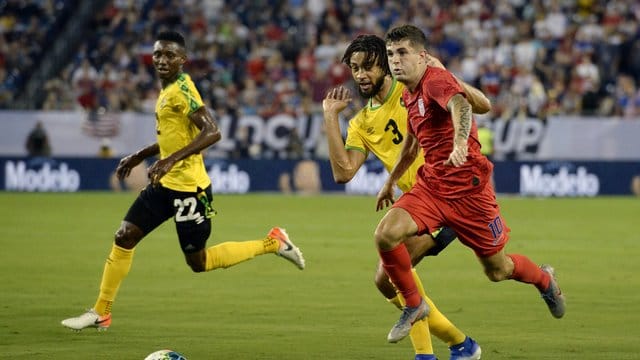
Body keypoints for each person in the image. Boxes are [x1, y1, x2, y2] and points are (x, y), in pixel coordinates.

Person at [61, 31, 305, 331]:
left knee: (198, 263)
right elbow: (174, 137)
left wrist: (170, 160)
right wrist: (140, 155)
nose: (162, 60)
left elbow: (213, 131)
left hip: (190, 189)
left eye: (169, 55)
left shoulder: (182, 90)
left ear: (182, 60)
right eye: (158, 54)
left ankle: (273, 243)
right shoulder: (167, 90)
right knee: (124, 236)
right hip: (164, 184)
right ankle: (102, 311)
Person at [375, 24, 565, 344]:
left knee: (497, 271)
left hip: (471, 193)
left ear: (422, 57)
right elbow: (411, 144)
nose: (395, 60)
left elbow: (461, 105)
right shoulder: (408, 93)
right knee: (385, 234)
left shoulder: (436, 79)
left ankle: (544, 279)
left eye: (403, 53)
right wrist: (390, 182)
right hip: (433, 187)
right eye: (391, 54)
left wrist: (460, 142)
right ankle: (414, 305)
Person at [322, 34, 486, 360]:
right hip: (416, 204)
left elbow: (472, 104)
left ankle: (428, 354)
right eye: (355, 68)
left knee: (395, 273)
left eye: (368, 66)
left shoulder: (412, 87)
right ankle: (460, 344)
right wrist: (330, 117)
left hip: (447, 195)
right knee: (387, 280)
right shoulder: (361, 123)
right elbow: (343, 173)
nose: (360, 75)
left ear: (386, 64)